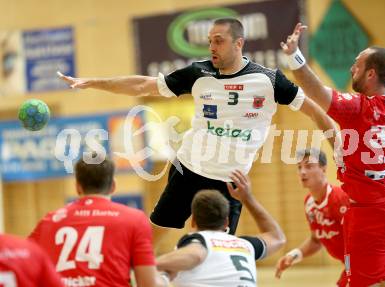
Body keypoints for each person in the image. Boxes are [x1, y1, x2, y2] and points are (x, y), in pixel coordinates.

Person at [57, 17, 336, 240]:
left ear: (239, 43)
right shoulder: (198, 73)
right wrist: (94, 82)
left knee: (218, 249)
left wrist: (339, 150)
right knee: (152, 232)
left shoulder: (269, 80)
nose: (212, 47)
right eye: (209, 41)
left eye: (219, 41)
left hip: (231, 182)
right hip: (188, 169)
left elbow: (315, 109)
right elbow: (142, 85)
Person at [280, 19, 385, 286]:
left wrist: (294, 56)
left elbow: (317, 92)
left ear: (371, 74)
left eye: (358, 63)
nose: (352, 67)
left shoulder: (356, 109)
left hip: (370, 216)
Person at [29, 156, 169, 287]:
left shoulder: (49, 220)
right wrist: (164, 279)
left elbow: (23, 264)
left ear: (78, 187)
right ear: (113, 185)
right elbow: (147, 284)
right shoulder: (135, 219)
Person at [155, 170, 285, 287]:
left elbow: (196, 254)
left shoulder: (200, 242)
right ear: (226, 222)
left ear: (193, 221)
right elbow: (277, 237)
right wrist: (248, 198)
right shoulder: (245, 246)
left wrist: (149, 263)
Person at [275, 149, 349, 286]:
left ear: (323, 168)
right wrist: (293, 255)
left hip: (364, 261)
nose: (302, 172)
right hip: (350, 263)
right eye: (299, 167)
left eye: (308, 166)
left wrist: (350, 271)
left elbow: (358, 243)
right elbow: (316, 240)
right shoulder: (309, 203)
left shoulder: (340, 199)